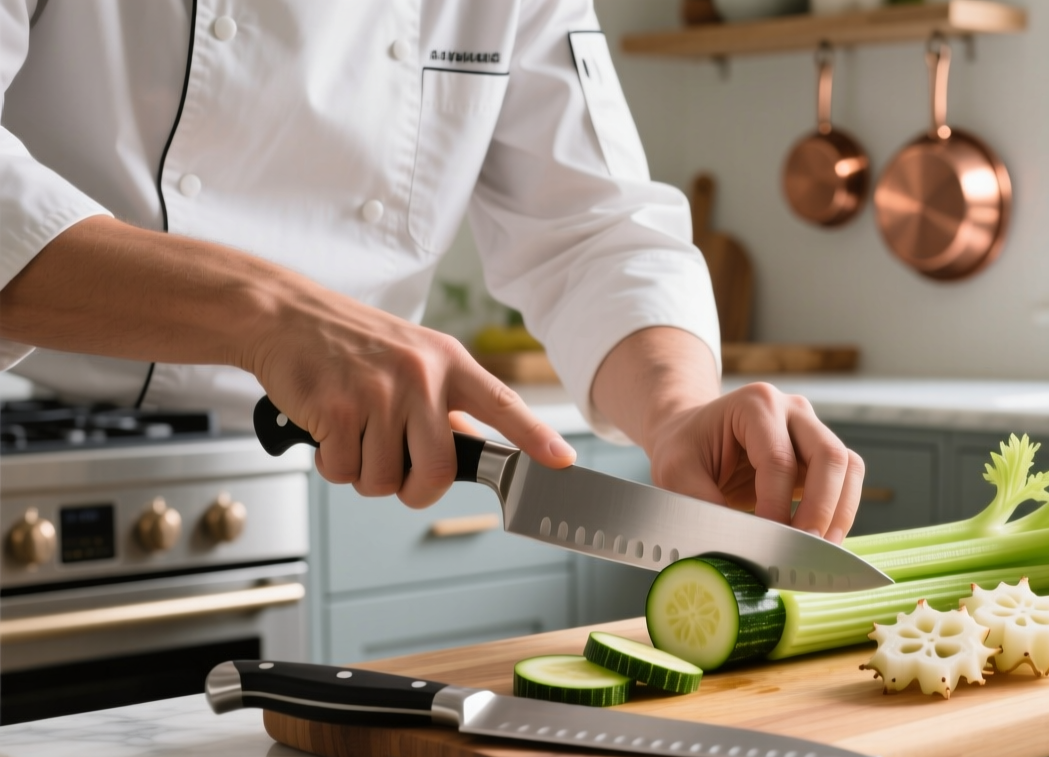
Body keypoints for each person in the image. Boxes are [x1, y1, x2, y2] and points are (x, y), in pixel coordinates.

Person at [0, 0, 864, 540]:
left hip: (332, 481)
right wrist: (274, 315)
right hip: (38, 464)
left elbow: (597, 226)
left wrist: (676, 409)